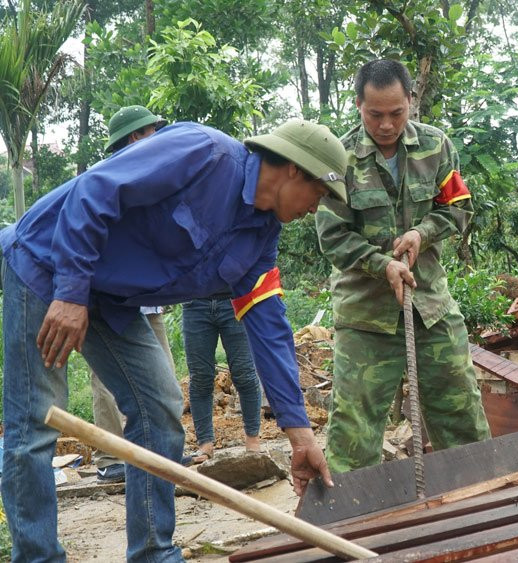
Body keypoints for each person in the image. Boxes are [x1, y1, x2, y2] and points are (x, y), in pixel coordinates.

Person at [0, 118, 342, 561]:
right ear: (296, 169)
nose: (316, 208)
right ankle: (38, 557)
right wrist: (69, 293)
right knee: (35, 422)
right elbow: (96, 190)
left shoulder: (262, 234)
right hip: (48, 265)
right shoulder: (202, 153)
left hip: (110, 299)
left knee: (160, 410)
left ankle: (152, 553)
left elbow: (268, 325)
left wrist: (301, 437)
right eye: (320, 194)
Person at [316, 59, 491, 473]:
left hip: (429, 306)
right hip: (366, 316)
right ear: (358, 104)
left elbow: (459, 206)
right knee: (353, 433)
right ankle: (352, 528)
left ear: (411, 100)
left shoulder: (436, 146)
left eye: (397, 112)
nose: (387, 124)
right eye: (375, 114)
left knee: (461, 411)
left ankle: (481, 505)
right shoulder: (338, 159)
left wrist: (423, 233)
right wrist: (382, 265)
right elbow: (333, 236)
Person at [89, 105, 174, 484]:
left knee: (164, 378)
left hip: (146, 301)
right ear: (137, 135)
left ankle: (162, 454)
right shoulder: (104, 180)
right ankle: (110, 456)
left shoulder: (155, 178)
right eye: (154, 129)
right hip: (106, 302)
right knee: (104, 380)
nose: (159, 136)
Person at [182, 293, 262, 463]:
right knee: (200, 377)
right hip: (194, 302)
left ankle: (253, 440)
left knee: (244, 373)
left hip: (235, 298)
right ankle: (205, 445)